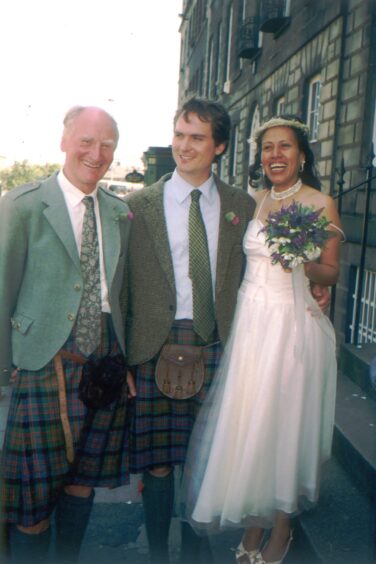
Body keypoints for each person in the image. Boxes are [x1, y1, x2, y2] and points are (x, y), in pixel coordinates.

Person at [181, 115, 344, 564]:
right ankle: (254, 519)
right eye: (268, 148)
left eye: (285, 147)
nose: (275, 155)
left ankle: (283, 525)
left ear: (302, 155)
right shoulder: (252, 201)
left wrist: (302, 263)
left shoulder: (321, 202)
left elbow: (329, 271)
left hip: (291, 327)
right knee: (251, 423)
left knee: (282, 424)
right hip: (251, 328)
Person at [121, 97, 256, 563]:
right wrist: (128, 359)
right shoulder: (139, 205)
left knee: (204, 458)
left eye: (197, 137)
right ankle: (159, 553)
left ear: (219, 146)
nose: (184, 146)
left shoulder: (242, 205)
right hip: (155, 344)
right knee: (157, 463)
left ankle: (199, 553)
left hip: (216, 342)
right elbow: (125, 291)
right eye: (179, 134)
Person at [0, 105, 135, 563]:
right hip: (42, 362)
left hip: (104, 362)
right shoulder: (22, 205)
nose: (96, 154)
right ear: (64, 141)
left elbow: (122, 294)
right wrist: (4, 369)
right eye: (86, 141)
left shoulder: (119, 212)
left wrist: (126, 360)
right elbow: (2, 290)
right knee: (32, 500)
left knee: (82, 481)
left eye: (107, 145)